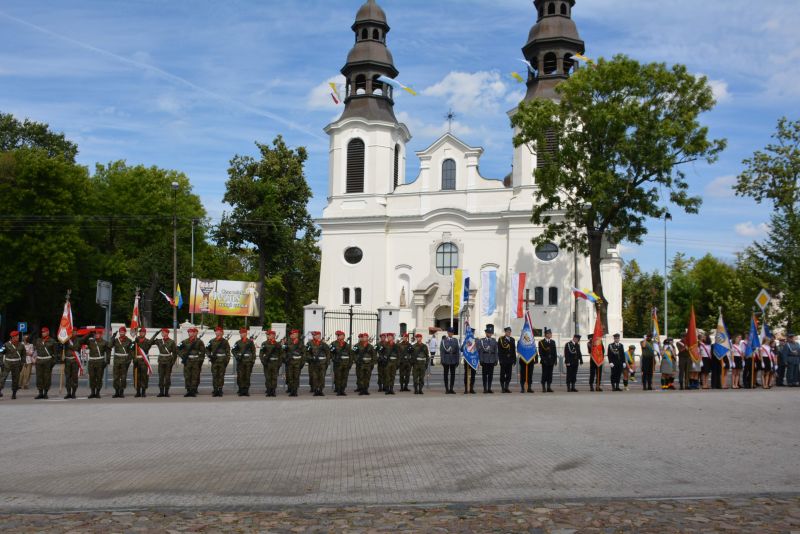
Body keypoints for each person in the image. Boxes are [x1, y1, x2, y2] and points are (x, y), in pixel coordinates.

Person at [82, 328, 109, 399]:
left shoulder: (104, 342)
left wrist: (107, 361)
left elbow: (108, 352)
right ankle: (92, 392)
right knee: (92, 377)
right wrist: (89, 334)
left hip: (100, 361)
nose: (96, 335)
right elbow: (82, 341)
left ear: (101, 335)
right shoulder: (91, 341)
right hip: (92, 362)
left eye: (98, 334)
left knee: (99, 377)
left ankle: (97, 393)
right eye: (96, 334)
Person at [179, 327, 205, 397]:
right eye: (189, 332)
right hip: (187, 360)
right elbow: (178, 349)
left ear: (194, 333)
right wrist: (183, 356)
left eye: (192, 332)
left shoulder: (199, 341)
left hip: (196, 360)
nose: (191, 333)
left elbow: (202, 352)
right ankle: (188, 390)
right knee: (187, 376)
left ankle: (193, 390)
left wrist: (200, 360)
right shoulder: (184, 341)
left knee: (195, 376)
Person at [33, 327, 57, 399]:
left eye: (44, 332)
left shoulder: (52, 341)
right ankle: (40, 393)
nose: (43, 333)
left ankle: (45, 393)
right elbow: (35, 350)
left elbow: (55, 353)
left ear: (48, 332)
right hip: (39, 361)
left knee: (47, 377)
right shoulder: (38, 340)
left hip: (48, 361)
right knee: (39, 377)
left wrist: (52, 363)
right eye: (42, 332)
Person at [207, 327, 231, 397]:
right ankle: (215, 390)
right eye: (216, 331)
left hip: (222, 361)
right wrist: (209, 355)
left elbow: (228, 352)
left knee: (221, 376)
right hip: (214, 361)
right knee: (214, 376)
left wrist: (226, 361)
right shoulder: (211, 341)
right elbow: (207, 349)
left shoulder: (225, 342)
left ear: (221, 332)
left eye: (218, 331)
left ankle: (220, 389)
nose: (217, 332)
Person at [0, 331, 26, 399]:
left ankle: (14, 393)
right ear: (12, 337)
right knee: (3, 377)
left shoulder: (21, 345)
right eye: (16, 336)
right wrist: (1, 363)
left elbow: (23, 354)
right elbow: (1, 353)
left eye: (18, 336)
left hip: (17, 364)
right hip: (7, 363)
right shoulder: (6, 345)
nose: (18, 337)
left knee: (16, 379)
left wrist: (22, 362)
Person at [110, 327, 133, 398]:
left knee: (123, 377)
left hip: (124, 361)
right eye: (120, 332)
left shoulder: (129, 341)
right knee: (116, 377)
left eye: (123, 332)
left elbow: (131, 352)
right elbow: (110, 345)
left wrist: (128, 361)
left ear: (125, 332)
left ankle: (121, 391)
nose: (121, 333)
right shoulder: (116, 340)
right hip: (117, 361)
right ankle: (116, 392)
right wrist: (113, 337)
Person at [153, 328, 177, 398]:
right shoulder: (159, 341)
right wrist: (156, 334)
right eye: (162, 332)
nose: (162, 333)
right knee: (161, 377)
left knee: (167, 377)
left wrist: (172, 362)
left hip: (168, 361)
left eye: (163, 332)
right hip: (161, 361)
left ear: (167, 333)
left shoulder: (172, 342)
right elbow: (150, 342)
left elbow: (175, 353)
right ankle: (161, 392)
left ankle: (166, 392)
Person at [260, 330, 284, 397]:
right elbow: (261, 354)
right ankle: (268, 390)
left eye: (269, 335)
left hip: (275, 363)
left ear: (273, 335)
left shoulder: (278, 344)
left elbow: (281, 354)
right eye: (267, 335)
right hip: (267, 363)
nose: (268, 336)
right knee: (268, 378)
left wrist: (279, 363)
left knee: (274, 377)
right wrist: (263, 361)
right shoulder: (264, 343)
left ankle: (273, 391)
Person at [233, 327, 256, 397]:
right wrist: (237, 356)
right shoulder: (238, 342)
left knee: (247, 376)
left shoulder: (250, 342)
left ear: (246, 333)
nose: (241, 334)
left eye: (242, 333)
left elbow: (253, 351)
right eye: (240, 333)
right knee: (240, 376)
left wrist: (252, 360)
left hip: (248, 361)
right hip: (241, 361)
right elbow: (233, 350)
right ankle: (241, 390)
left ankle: (246, 390)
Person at [306, 331, 330, 396]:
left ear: (319, 335)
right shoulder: (309, 343)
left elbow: (328, 353)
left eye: (316, 335)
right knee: (314, 377)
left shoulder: (324, 344)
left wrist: (327, 362)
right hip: (314, 363)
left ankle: (321, 390)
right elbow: (307, 353)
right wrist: (311, 358)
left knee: (322, 377)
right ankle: (316, 390)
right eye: (313, 335)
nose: (314, 336)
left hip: (322, 363)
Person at [60, 330, 83, 399]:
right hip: (67, 361)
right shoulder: (66, 340)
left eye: (75, 332)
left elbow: (76, 348)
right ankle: (68, 393)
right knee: (68, 377)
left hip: (75, 361)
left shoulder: (78, 340)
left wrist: (68, 344)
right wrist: (63, 343)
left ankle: (73, 393)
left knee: (74, 377)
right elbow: (61, 348)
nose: (73, 333)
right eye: (72, 332)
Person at [132, 327, 153, 398]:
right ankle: (138, 392)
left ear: (145, 333)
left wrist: (138, 343)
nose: (141, 333)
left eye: (143, 332)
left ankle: (143, 392)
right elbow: (131, 349)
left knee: (144, 376)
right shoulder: (135, 340)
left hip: (144, 360)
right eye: (140, 332)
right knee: (136, 376)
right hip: (137, 360)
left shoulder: (147, 341)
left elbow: (145, 348)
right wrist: (134, 358)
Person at [331, 330, 354, 396]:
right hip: (337, 364)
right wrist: (334, 359)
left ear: (343, 336)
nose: (338, 336)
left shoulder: (347, 345)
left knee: (344, 377)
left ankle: (342, 390)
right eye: (338, 335)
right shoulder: (333, 344)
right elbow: (330, 353)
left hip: (346, 364)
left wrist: (350, 363)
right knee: (338, 377)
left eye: (340, 335)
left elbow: (351, 355)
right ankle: (338, 390)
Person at [478, 325, 498, 394]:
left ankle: (489, 388)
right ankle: (485, 389)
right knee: (484, 375)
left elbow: (496, 351)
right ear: (486, 333)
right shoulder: (482, 341)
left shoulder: (494, 341)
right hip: (485, 360)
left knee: (490, 375)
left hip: (491, 360)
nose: (489, 334)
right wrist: (481, 360)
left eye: (490, 333)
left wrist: (496, 360)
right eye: (488, 333)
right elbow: (481, 351)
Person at [284, 330, 305, 397]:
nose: (293, 335)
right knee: (290, 377)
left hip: (297, 362)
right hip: (289, 362)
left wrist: (302, 363)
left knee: (296, 377)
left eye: (295, 334)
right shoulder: (287, 342)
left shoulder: (301, 342)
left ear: (297, 335)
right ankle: (291, 389)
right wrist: (285, 359)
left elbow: (304, 353)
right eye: (292, 334)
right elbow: (283, 352)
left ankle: (295, 391)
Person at [440, 328, 459, 394]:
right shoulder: (443, 340)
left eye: (452, 332)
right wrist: (442, 360)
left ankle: (451, 388)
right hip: (446, 359)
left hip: (453, 359)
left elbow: (457, 351)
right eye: (450, 332)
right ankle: (447, 389)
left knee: (453, 375)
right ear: (447, 333)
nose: (451, 333)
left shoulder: (455, 340)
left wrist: (457, 360)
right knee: (446, 375)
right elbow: (442, 351)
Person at [497, 327, 516, 393]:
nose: (509, 333)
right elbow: (499, 350)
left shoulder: (512, 339)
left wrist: (514, 360)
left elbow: (513, 350)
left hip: (510, 360)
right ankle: (503, 388)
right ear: (505, 332)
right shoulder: (501, 339)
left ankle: (506, 387)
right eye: (508, 332)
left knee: (509, 375)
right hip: (503, 360)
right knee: (502, 375)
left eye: (510, 332)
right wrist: (500, 360)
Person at [537, 328, 557, 393]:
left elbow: (554, 352)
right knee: (544, 374)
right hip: (545, 361)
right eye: (550, 333)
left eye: (551, 333)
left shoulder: (553, 342)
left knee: (550, 374)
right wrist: (543, 360)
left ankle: (548, 387)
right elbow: (540, 352)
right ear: (546, 334)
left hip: (551, 361)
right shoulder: (541, 342)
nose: (551, 335)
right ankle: (543, 387)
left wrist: (555, 360)